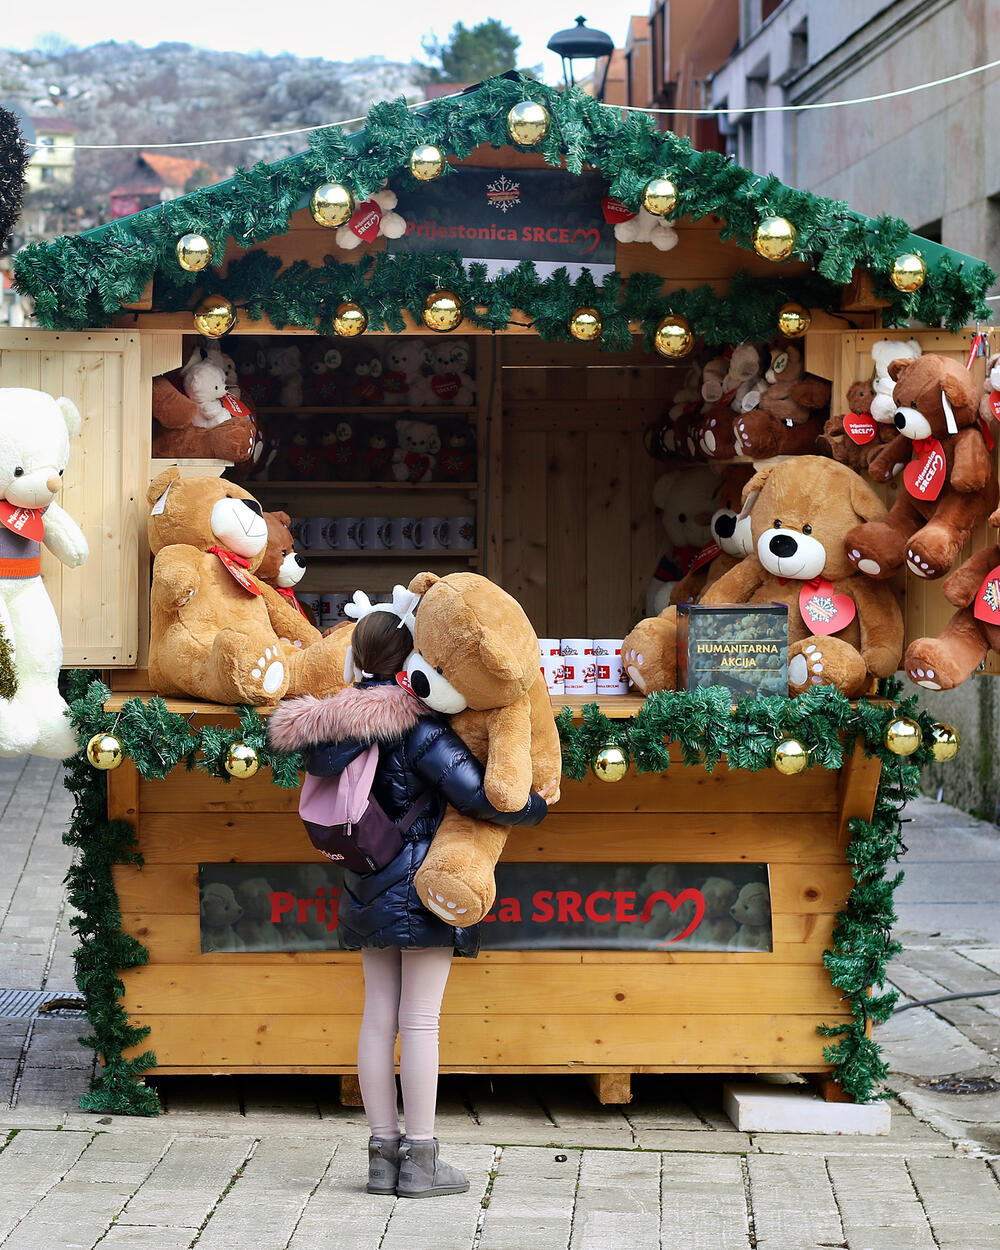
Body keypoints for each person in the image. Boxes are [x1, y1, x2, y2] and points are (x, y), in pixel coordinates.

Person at [268, 599, 553, 1198]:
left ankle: (381, 1157)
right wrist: (534, 807)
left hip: (366, 880)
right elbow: (478, 796)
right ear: (410, 661)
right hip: (422, 883)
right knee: (420, 1020)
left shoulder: (329, 723)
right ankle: (420, 1160)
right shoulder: (419, 726)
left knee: (378, 1018)